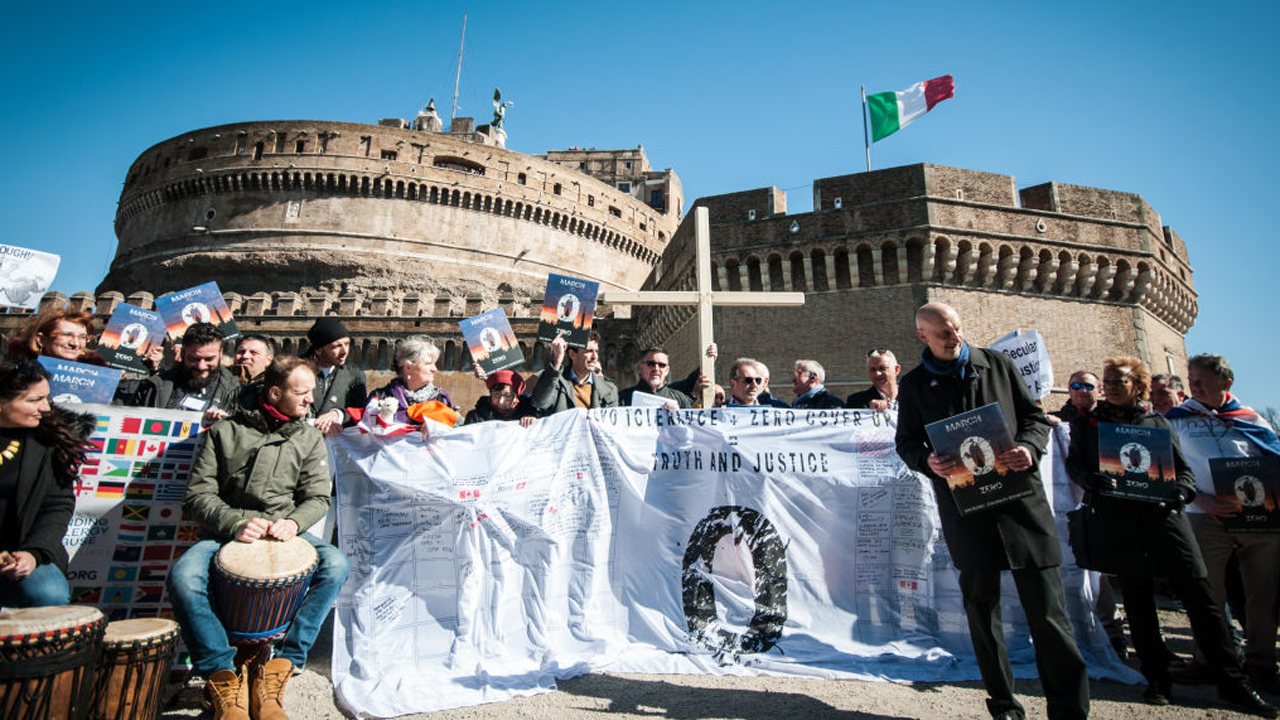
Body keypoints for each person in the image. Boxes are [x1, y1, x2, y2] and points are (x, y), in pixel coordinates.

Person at [895, 302, 1089, 720]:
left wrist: (1029, 448)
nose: (955, 337)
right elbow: (906, 442)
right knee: (983, 614)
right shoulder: (913, 386)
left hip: (1021, 507)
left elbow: (1035, 419)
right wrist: (926, 461)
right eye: (944, 332)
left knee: (1050, 616)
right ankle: (1003, 704)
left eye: (958, 328)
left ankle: (1070, 710)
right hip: (968, 511)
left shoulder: (997, 364)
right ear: (922, 336)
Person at [1065, 356, 1275, 714]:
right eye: (1109, 381)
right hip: (1120, 522)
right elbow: (1077, 463)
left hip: (1164, 519)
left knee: (1202, 599)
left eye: (1121, 380)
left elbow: (1184, 473)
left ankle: (1231, 681)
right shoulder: (1091, 423)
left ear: (1138, 385)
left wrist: (1182, 493)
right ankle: (1157, 678)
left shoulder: (1158, 421)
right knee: (1138, 603)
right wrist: (1089, 479)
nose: (1113, 386)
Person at [167, 356, 350, 720]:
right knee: (183, 578)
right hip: (227, 533)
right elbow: (198, 495)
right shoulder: (226, 432)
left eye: (312, 392)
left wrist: (295, 524)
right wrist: (234, 522)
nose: (309, 401)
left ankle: (283, 664)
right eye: (301, 393)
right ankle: (222, 673)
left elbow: (316, 496)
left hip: (282, 532)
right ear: (275, 391)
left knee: (336, 564)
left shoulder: (309, 436)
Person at [1167, 354, 1280, 695]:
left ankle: (1261, 663)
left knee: (1264, 594)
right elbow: (1165, 469)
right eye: (1190, 379)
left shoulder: (1252, 419)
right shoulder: (1177, 420)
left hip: (1258, 518)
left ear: (1226, 383)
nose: (1194, 386)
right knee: (1207, 594)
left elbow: (1272, 460)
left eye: (1201, 380)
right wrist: (1201, 499)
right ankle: (1210, 659)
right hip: (1204, 517)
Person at [0, 362, 91, 608]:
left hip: (21, 552)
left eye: (47, 398)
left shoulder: (48, 441)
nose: (45, 407)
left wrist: (33, 553)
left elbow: (57, 505)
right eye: (34, 400)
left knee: (47, 592)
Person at [124, 323, 240, 424]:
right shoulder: (153, 387)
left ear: (220, 354)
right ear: (183, 352)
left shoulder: (237, 392)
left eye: (209, 359)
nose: (201, 366)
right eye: (194, 359)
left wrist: (227, 425)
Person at [365, 335, 454, 422]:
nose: (434, 369)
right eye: (428, 364)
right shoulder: (380, 397)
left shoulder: (440, 399)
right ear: (408, 367)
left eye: (434, 364)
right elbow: (364, 430)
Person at [304, 318, 366, 438]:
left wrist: (339, 414)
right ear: (318, 349)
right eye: (337, 346)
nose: (344, 351)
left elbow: (361, 411)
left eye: (347, 344)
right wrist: (314, 423)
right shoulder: (296, 370)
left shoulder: (354, 375)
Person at [532, 332, 618, 413]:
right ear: (572, 354)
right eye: (589, 351)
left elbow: (610, 425)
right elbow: (540, 403)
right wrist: (557, 361)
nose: (594, 357)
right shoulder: (556, 382)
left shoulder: (609, 389)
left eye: (596, 351)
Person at [5, 309, 106, 365]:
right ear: (41, 339)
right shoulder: (13, 374)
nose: (75, 343)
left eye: (83, 337)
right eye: (67, 335)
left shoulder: (97, 378)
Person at [619, 347, 693, 408]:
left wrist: (678, 415)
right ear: (641, 368)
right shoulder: (623, 398)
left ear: (667, 370)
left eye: (661, 365)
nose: (656, 368)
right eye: (651, 364)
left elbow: (689, 425)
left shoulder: (680, 399)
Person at [465, 369, 536, 426]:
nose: (500, 401)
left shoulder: (531, 413)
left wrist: (534, 422)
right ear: (490, 393)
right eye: (496, 394)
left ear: (516, 397)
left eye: (507, 396)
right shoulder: (476, 417)